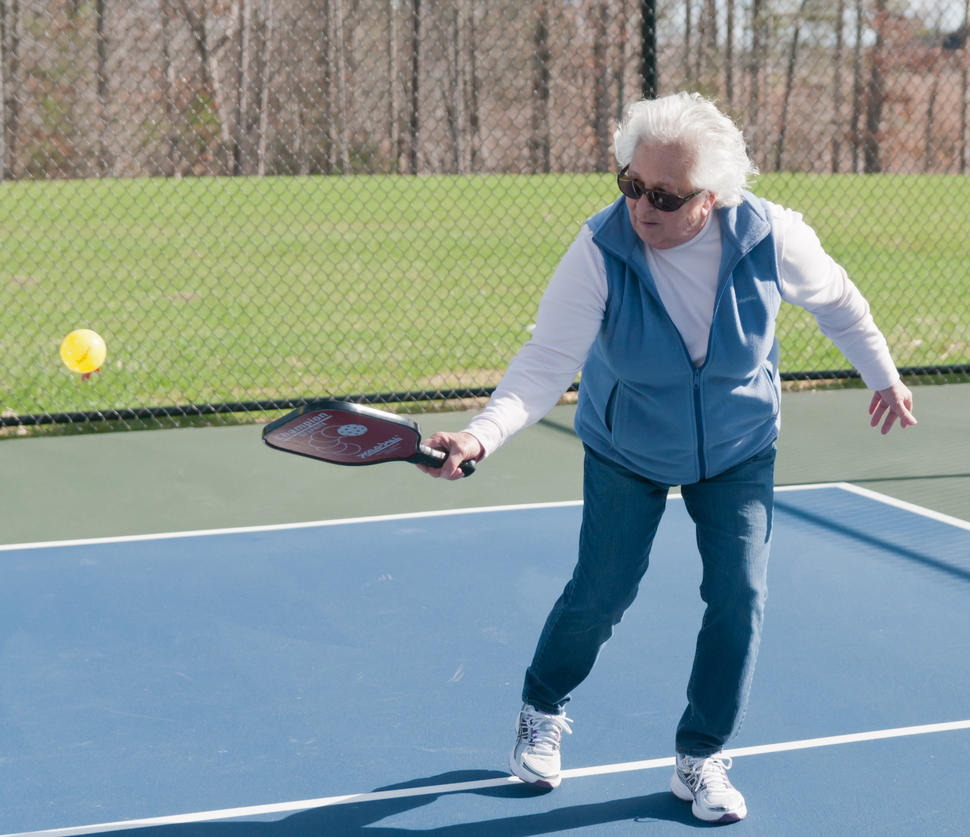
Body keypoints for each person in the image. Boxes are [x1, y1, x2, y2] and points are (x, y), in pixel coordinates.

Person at [416, 92, 916, 824]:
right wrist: (480, 435)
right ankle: (542, 704)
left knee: (740, 597)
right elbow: (547, 360)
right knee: (604, 591)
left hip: (739, 446)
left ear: (710, 200)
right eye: (629, 183)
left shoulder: (771, 236)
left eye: (663, 195)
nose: (640, 206)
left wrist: (884, 374)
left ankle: (701, 754)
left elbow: (837, 299)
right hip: (629, 448)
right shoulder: (599, 250)